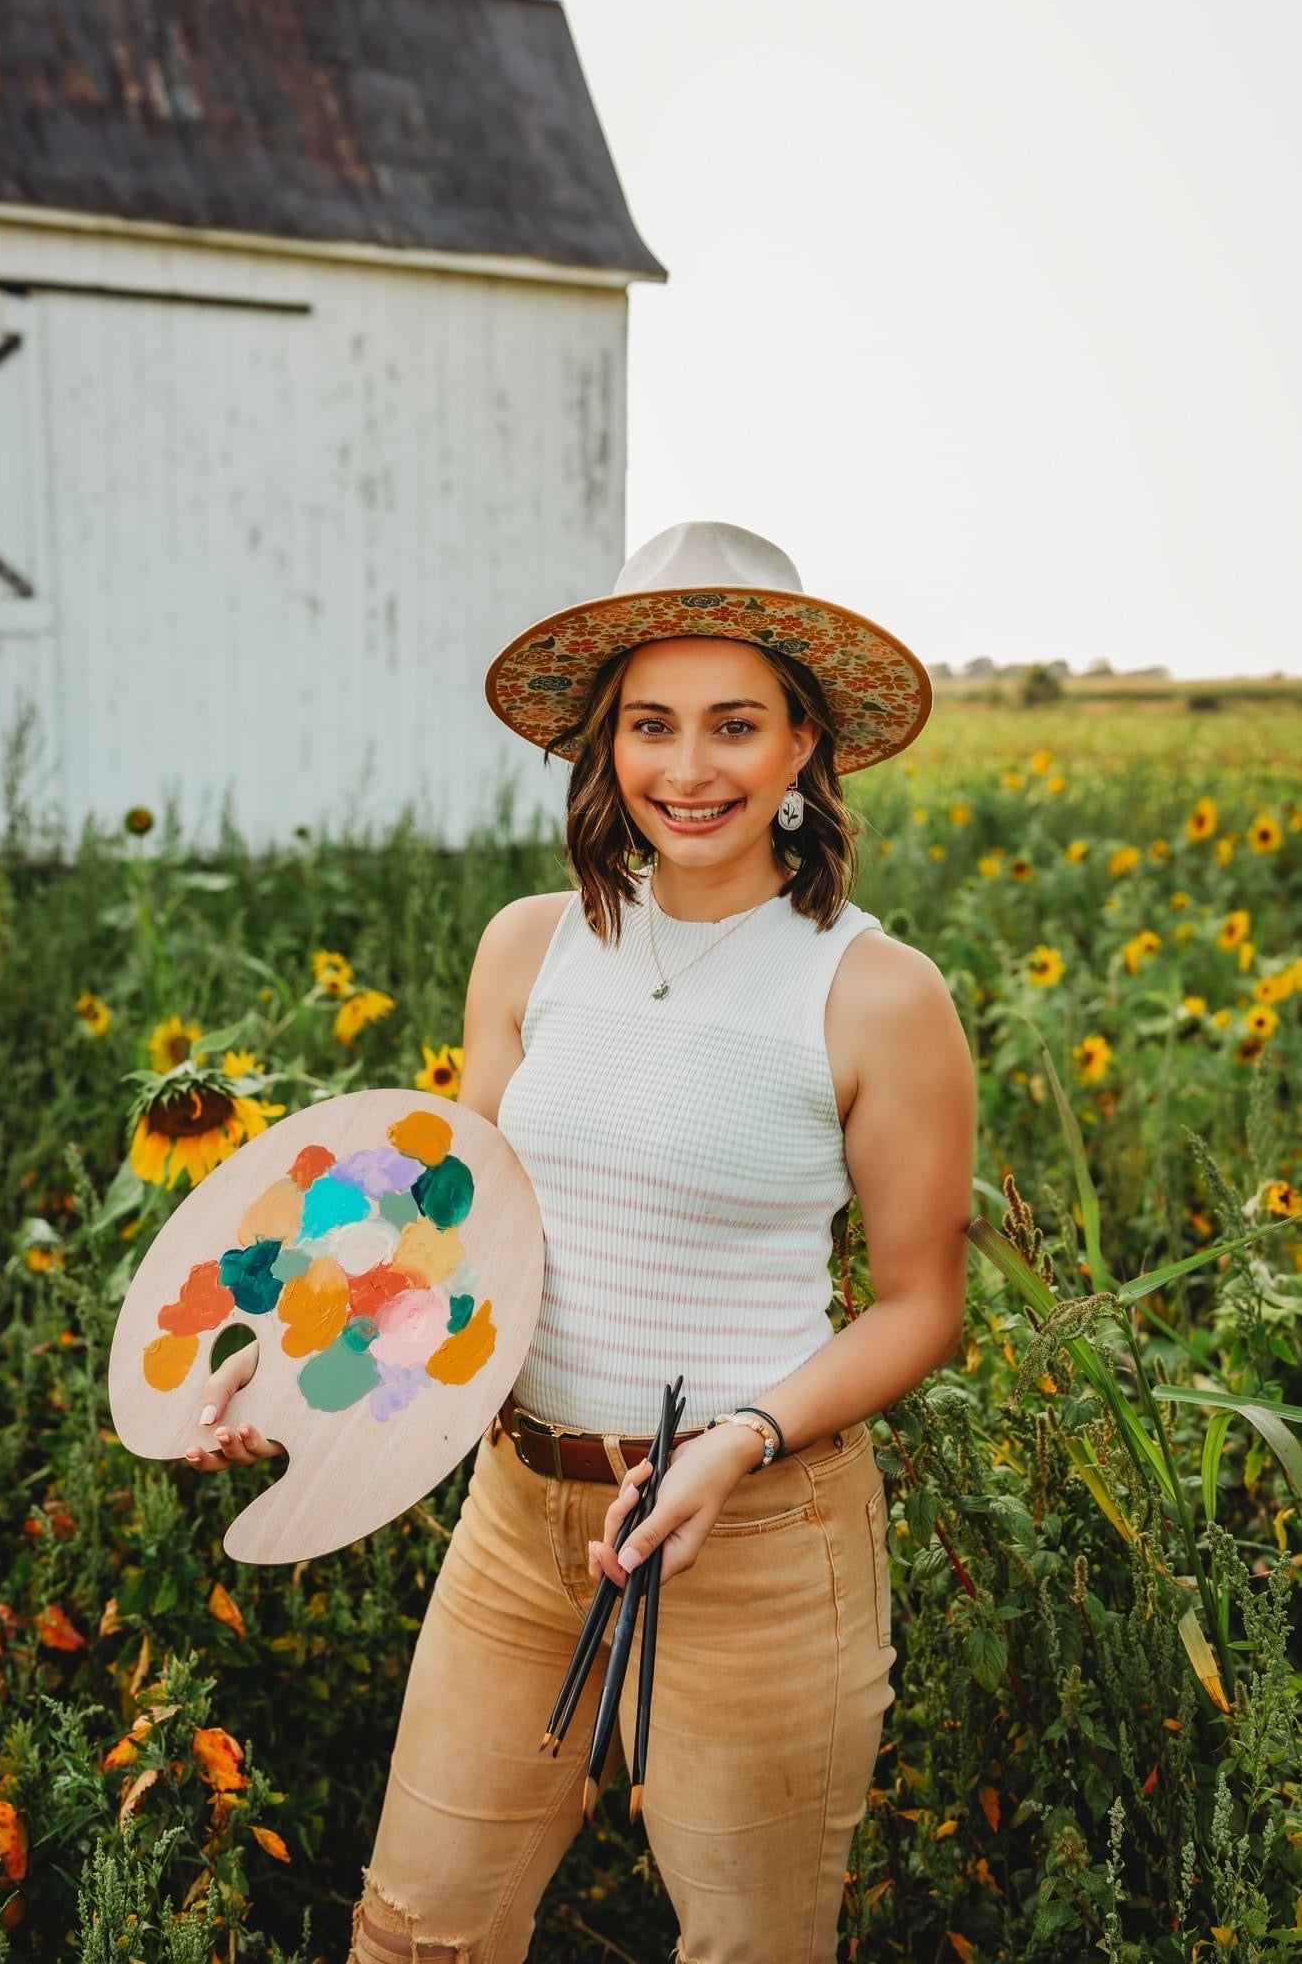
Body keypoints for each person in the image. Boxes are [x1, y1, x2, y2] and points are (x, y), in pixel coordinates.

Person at [183, 521, 976, 1964]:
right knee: (417, 1935)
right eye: (649, 726)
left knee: (750, 1950)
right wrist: (284, 1372)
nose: (689, 769)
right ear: (602, 749)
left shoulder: (875, 993)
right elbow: (454, 1231)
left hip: (757, 1539)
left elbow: (919, 1307)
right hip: (517, 1524)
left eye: (735, 725)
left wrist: (735, 1437)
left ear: (805, 745)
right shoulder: (525, 946)